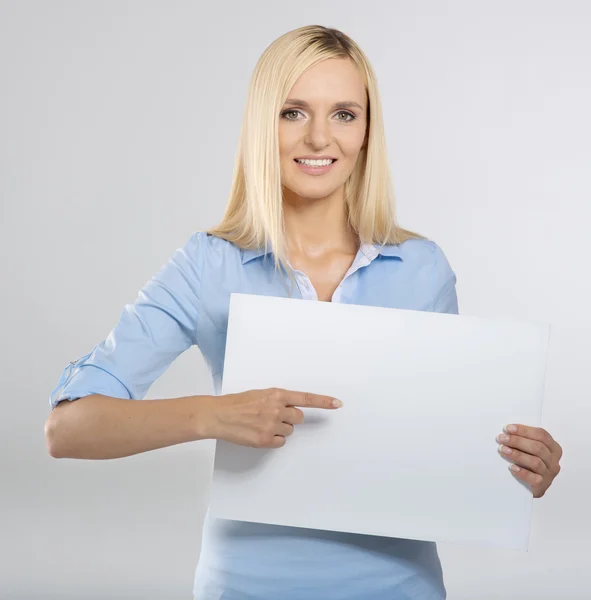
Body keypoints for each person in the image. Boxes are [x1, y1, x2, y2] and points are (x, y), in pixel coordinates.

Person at [45, 24, 563, 600]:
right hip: (245, 587)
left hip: (399, 587)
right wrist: (212, 416)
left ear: (368, 132)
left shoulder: (423, 269)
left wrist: (523, 468)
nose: (320, 138)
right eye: (294, 112)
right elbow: (68, 429)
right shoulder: (208, 265)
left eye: (344, 114)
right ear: (263, 125)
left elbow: (444, 448)